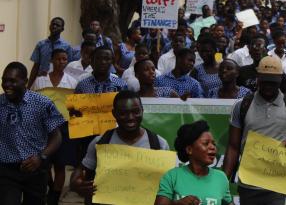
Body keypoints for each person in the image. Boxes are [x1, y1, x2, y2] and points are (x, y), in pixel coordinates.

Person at [223, 56, 286, 205]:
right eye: (265, 81)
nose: (268, 85)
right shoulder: (242, 105)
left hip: (279, 184)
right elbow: (233, 146)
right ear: (258, 78)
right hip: (249, 184)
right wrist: (222, 182)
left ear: (281, 80)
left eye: (273, 82)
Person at [70, 90, 169, 205]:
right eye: (123, 113)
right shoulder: (100, 143)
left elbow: (169, 183)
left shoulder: (159, 144)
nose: (130, 117)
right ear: (114, 114)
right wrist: (75, 183)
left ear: (142, 111)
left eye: (136, 112)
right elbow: (81, 169)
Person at [0, 62, 65, 205]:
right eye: (4, 80)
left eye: (12, 81)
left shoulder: (42, 103)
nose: (7, 85)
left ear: (25, 81)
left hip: (36, 169)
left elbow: (57, 136)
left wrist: (41, 157)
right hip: (6, 171)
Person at [31, 49, 78, 204]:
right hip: (43, 127)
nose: (61, 62)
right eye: (58, 59)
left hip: (63, 127)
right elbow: (32, 101)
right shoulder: (40, 80)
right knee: (45, 163)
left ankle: (55, 196)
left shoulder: (72, 81)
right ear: (52, 60)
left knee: (60, 164)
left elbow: (74, 107)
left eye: (64, 59)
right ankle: (50, 187)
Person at [155, 120, 233, 205]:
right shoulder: (172, 177)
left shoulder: (221, 178)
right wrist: (177, 204)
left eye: (213, 144)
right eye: (206, 143)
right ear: (189, 149)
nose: (212, 147)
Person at [28, 17, 74, 88]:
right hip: (42, 81)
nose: (54, 26)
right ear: (49, 26)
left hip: (60, 83)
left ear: (62, 29)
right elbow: (35, 66)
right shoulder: (41, 44)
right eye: (53, 24)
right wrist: (28, 86)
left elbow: (68, 67)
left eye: (57, 25)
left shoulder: (67, 46)